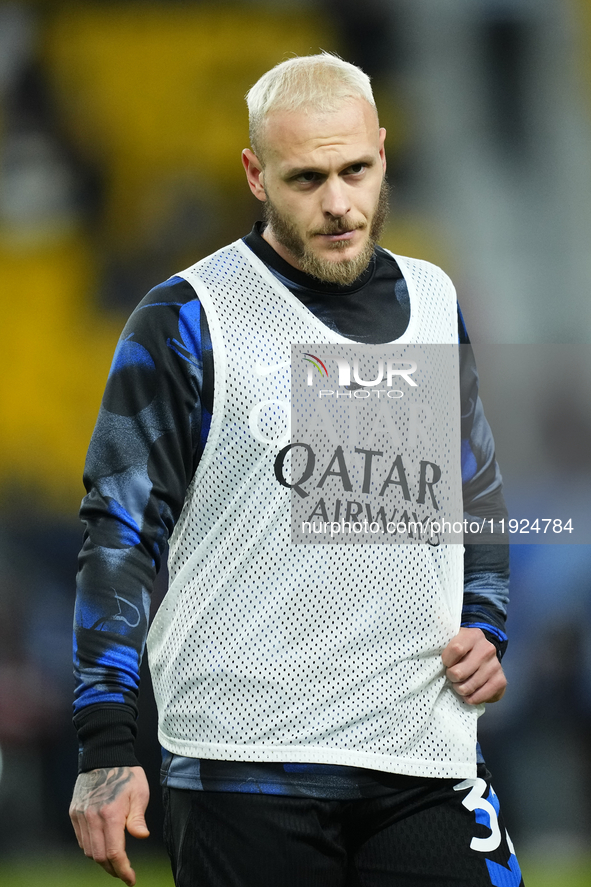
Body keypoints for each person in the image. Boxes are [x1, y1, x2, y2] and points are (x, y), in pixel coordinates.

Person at [69, 53, 522, 887]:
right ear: (254, 173)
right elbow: (119, 534)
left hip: (417, 745)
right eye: (305, 178)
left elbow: (470, 489)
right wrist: (105, 744)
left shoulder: (429, 297)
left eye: (355, 169)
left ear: (383, 150)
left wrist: (485, 623)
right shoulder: (186, 317)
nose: (339, 204)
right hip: (246, 759)